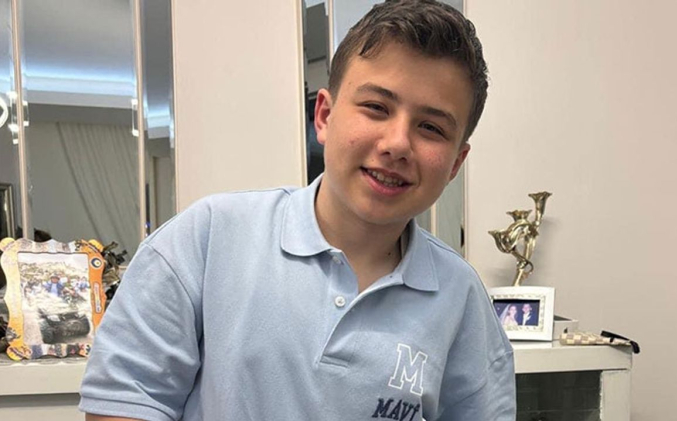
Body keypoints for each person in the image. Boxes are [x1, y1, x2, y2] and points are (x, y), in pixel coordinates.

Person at [80, 1, 516, 420]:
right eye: (376, 108)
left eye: (431, 128)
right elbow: (125, 400)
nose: (397, 143)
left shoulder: (462, 301)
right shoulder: (207, 239)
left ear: (455, 163)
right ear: (324, 115)